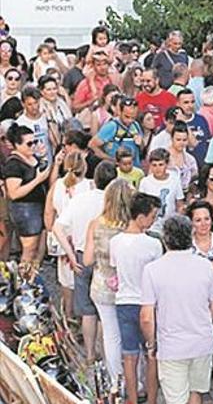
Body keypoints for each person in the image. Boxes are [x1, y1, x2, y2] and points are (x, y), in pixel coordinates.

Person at [141, 215, 213, 404]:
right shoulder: (206, 266)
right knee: (196, 393)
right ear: (191, 235)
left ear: (165, 238)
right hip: (202, 342)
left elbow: (146, 317)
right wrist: (198, 318)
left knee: (176, 398)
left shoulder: (153, 270)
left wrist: (151, 344)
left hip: (172, 345)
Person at [53, 161, 117, 364]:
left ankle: (90, 354)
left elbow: (57, 227)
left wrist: (70, 255)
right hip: (107, 259)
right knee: (105, 311)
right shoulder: (113, 203)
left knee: (87, 310)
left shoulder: (80, 200)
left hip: (81, 255)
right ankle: (106, 355)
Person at [109, 192, 162, 404]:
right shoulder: (154, 245)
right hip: (147, 304)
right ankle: (151, 400)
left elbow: (115, 269)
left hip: (123, 302)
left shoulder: (115, 242)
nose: (153, 221)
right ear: (140, 217)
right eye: (152, 216)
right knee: (151, 354)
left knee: (129, 356)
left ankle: (131, 399)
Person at [83, 179, 134, 387]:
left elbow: (87, 260)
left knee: (111, 335)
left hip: (102, 285)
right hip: (129, 286)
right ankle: (136, 382)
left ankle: (116, 380)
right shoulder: (132, 225)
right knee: (132, 335)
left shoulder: (96, 223)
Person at [44, 150, 91, 317]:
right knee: (84, 279)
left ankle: (68, 315)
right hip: (82, 238)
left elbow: (49, 213)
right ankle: (85, 315)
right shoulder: (89, 186)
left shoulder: (57, 185)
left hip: (62, 236)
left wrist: (51, 232)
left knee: (66, 280)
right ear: (84, 167)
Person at [3, 123, 52, 263]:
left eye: (35, 141)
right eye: (29, 143)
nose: (33, 146)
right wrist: (37, 180)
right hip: (25, 209)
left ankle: (31, 279)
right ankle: (23, 281)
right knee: (29, 250)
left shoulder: (31, 156)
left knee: (38, 248)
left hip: (38, 206)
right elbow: (13, 193)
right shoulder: (13, 164)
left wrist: (43, 159)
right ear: (17, 145)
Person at [138, 148, 185, 234]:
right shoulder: (145, 182)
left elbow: (179, 204)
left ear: (166, 165)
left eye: (161, 165)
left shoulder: (174, 180)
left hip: (170, 227)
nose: (157, 168)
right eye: (154, 165)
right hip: (150, 228)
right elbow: (141, 207)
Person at [89, 98, 145, 167]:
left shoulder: (136, 125)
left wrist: (141, 143)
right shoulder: (112, 126)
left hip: (135, 169)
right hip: (118, 170)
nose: (130, 120)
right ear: (120, 112)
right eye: (127, 116)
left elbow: (141, 148)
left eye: (133, 117)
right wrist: (111, 159)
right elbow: (92, 145)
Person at [176, 88, 211, 165]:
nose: (190, 105)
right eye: (186, 102)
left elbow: (208, 141)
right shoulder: (173, 122)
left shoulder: (201, 119)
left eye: (192, 102)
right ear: (178, 104)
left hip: (202, 165)